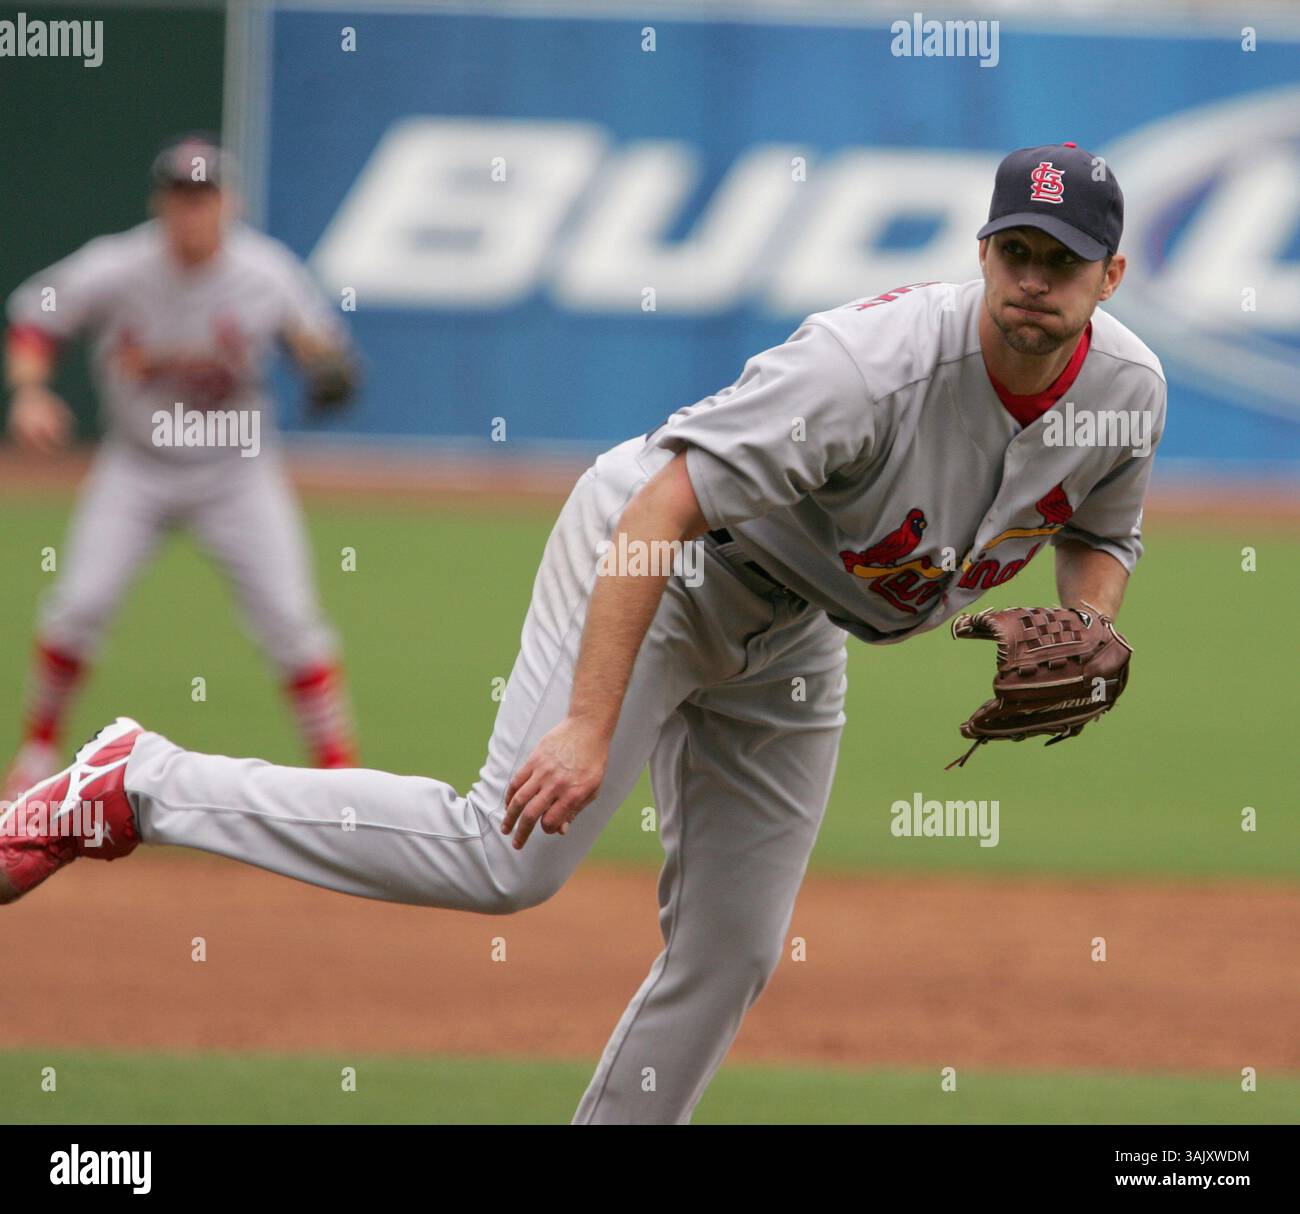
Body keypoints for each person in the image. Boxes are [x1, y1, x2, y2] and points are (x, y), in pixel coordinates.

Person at [0, 144, 1165, 1124]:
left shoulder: (1128, 390)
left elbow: (1100, 527)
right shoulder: (870, 369)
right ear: (981, 253)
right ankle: (136, 781)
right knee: (503, 856)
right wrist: (588, 721)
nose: (1031, 279)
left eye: (1060, 262)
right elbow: (662, 503)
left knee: (734, 947)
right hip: (663, 561)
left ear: (1108, 276)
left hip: (798, 629)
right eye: (1015, 251)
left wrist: (1087, 622)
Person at [2, 134, 361, 797]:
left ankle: (341, 778)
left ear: (229, 202)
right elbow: (33, 315)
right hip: (137, 467)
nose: (193, 212)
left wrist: (321, 362)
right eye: (182, 197)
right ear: (161, 203)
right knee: (76, 606)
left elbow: (321, 346)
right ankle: (37, 751)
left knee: (292, 621)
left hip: (237, 472)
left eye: (205, 197)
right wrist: (30, 391)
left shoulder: (265, 272)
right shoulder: (117, 266)